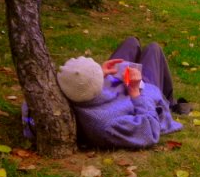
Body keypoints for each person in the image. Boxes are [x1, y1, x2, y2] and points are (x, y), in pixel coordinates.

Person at [23, 37, 189, 149]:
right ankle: (169, 102)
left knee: (131, 41)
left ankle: (115, 68)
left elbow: (27, 106)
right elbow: (148, 132)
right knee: (154, 49)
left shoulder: (65, 91)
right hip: (139, 91)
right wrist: (135, 91)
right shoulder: (106, 125)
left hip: (113, 86)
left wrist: (98, 73)